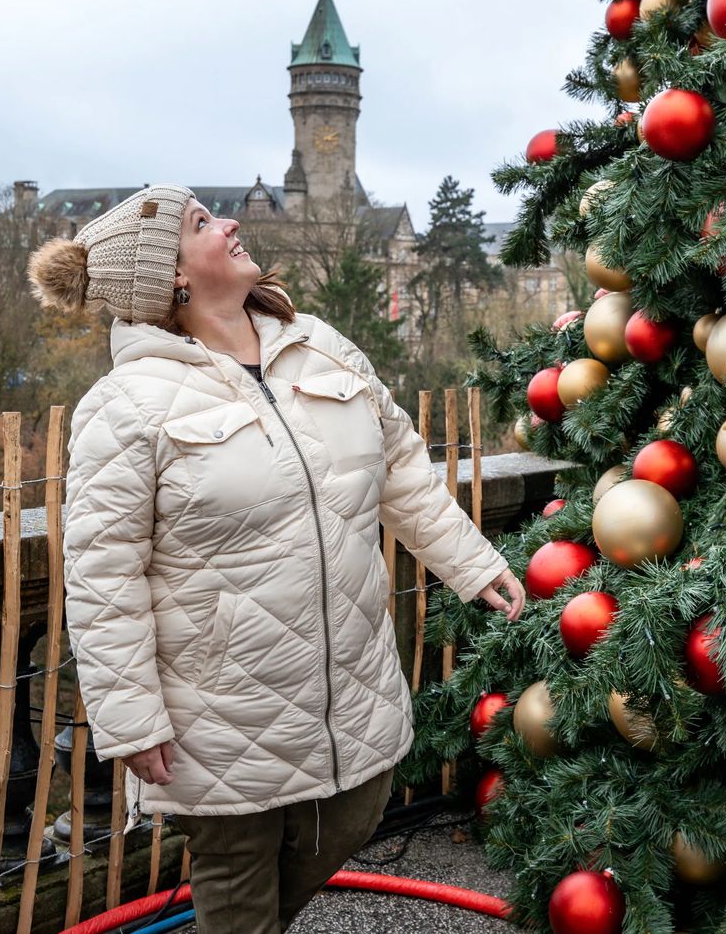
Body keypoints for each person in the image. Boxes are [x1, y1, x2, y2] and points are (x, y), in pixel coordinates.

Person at [26, 184, 525, 932]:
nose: (228, 223)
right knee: (237, 872)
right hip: (218, 698)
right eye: (202, 223)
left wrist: (470, 560)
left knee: (359, 806)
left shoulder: (320, 344)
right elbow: (104, 577)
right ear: (173, 276)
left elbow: (400, 464)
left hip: (348, 668)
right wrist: (129, 717)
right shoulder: (126, 403)